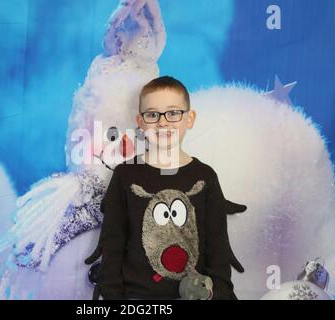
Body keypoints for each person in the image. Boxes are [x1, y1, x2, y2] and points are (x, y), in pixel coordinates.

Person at [95, 75, 241, 300]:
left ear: (189, 118)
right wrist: (113, 296)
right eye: (152, 115)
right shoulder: (125, 175)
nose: (163, 122)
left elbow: (218, 248)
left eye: (173, 113)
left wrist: (218, 294)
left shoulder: (205, 177)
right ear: (141, 122)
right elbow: (113, 242)